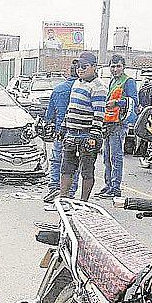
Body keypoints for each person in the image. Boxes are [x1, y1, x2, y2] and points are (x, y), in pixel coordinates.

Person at [58, 52, 106, 201]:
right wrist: (63, 127)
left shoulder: (98, 87)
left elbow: (99, 114)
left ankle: (83, 202)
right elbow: (70, 108)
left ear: (94, 67)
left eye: (84, 66)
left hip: (86, 136)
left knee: (86, 171)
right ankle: (63, 198)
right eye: (78, 66)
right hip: (71, 134)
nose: (80, 69)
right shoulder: (77, 83)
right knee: (66, 168)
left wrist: (93, 135)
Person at [98, 54, 137, 199]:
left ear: (123, 67)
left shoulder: (128, 81)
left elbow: (133, 101)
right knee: (106, 157)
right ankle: (108, 185)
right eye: (112, 66)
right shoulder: (112, 81)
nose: (115, 69)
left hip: (119, 123)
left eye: (118, 66)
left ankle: (115, 188)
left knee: (116, 156)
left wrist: (117, 103)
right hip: (108, 122)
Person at [43, 60, 79, 203]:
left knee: (57, 160)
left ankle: (54, 187)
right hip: (76, 133)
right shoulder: (84, 89)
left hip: (60, 132)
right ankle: (70, 191)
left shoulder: (58, 89)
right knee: (73, 163)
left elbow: (49, 115)